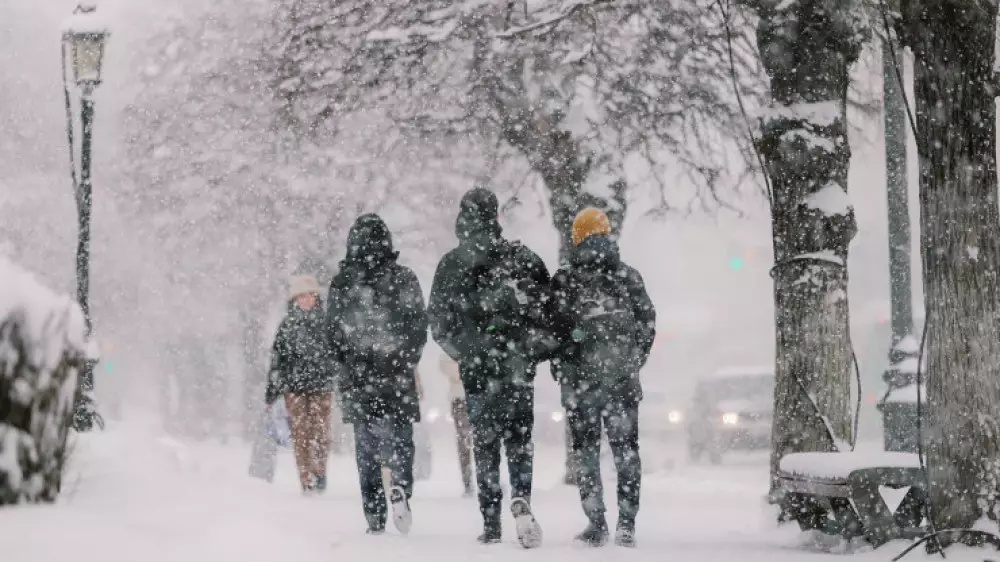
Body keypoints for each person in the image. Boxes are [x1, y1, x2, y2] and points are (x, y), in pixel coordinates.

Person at [428, 187, 555, 547]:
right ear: (496, 215)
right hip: (516, 369)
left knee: (484, 444)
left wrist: (468, 352)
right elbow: (548, 311)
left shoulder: (452, 264)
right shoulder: (522, 258)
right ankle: (522, 498)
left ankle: (491, 521)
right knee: (519, 441)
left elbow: (438, 321)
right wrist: (527, 350)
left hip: (479, 373)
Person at [550, 208, 656, 548]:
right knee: (626, 451)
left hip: (580, 384)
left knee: (585, 451)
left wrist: (565, 360)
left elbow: (552, 330)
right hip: (621, 381)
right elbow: (648, 323)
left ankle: (596, 523)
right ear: (607, 233)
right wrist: (631, 361)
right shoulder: (628, 276)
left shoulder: (565, 279)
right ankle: (627, 523)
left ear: (576, 236)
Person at [328, 214, 428, 536]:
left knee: (367, 446)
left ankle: (374, 515)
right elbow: (417, 326)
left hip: (359, 378)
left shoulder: (342, 284)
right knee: (401, 437)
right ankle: (400, 486)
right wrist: (406, 359)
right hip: (396, 375)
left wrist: (347, 364)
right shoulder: (404, 278)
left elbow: (333, 335)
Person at [264, 274, 339, 494]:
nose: (305, 300)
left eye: (308, 295)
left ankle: (319, 471)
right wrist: (272, 392)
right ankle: (306, 478)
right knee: (300, 434)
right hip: (294, 388)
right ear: (295, 300)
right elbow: (278, 359)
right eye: (300, 297)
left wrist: (334, 373)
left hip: (321, 386)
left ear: (315, 296)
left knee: (321, 432)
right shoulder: (287, 326)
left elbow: (337, 354)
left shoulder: (327, 322)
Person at [440, 354, 474, 496]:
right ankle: (468, 480)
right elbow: (446, 366)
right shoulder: (453, 343)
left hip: (473, 396)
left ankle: (484, 479)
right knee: (464, 440)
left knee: (479, 440)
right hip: (461, 398)